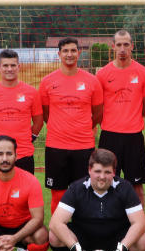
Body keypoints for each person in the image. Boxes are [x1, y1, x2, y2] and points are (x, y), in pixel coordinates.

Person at [48, 148, 145, 251]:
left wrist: (121, 250)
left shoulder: (125, 188)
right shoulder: (76, 188)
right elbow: (55, 223)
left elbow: (141, 223)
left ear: (114, 172)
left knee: (143, 241)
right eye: (97, 171)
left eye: (107, 172)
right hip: (84, 240)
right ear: (89, 170)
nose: (102, 176)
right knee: (54, 236)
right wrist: (76, 249)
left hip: (116, 240)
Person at [39, 37, 103, 213]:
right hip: (56, 146)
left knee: (84, 193)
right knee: (58, 194)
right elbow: (46, 113)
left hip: (84, 146)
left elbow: (98, 112)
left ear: (79, 53)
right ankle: (59, 236)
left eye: (73, 50)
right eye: (65, 51)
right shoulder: (47, 82)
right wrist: (60, 126)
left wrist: (82, 127)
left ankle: (83, 234)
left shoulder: (92, 81)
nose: (69, 54)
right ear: (59, 54)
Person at [96, 30, 145, 205]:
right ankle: (106, 223)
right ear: (113, 47)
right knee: (104, 183)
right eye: (119, 45)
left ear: (132, 47)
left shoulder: (143, 73)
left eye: (126, 44)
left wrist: (131, 118)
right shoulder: (102, 74)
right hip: (109, 136)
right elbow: (98, 108)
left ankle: (139, 226)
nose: (122, 49)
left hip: (134, 137)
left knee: (136, 185)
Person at [0, 49, 43, 175]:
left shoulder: (31, 93)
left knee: (24, 193)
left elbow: (38, 122)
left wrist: (26, 139)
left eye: (13, 65)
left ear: (19, 67)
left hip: (23, 154)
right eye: (5, 65)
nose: (9, 69)